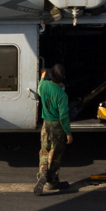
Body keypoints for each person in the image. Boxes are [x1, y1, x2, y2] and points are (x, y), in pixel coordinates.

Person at [35, 65, 73, 195]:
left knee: (44, 151)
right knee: (55, 154)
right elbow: (63, 116)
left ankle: (42, 175)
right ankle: (52, 181)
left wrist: (42, 77)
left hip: (46, 124)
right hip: (57, 126)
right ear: (64, 78)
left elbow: (39, 90)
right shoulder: (62, 95)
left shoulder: (44, 86)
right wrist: (68, 133)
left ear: (51, 75)